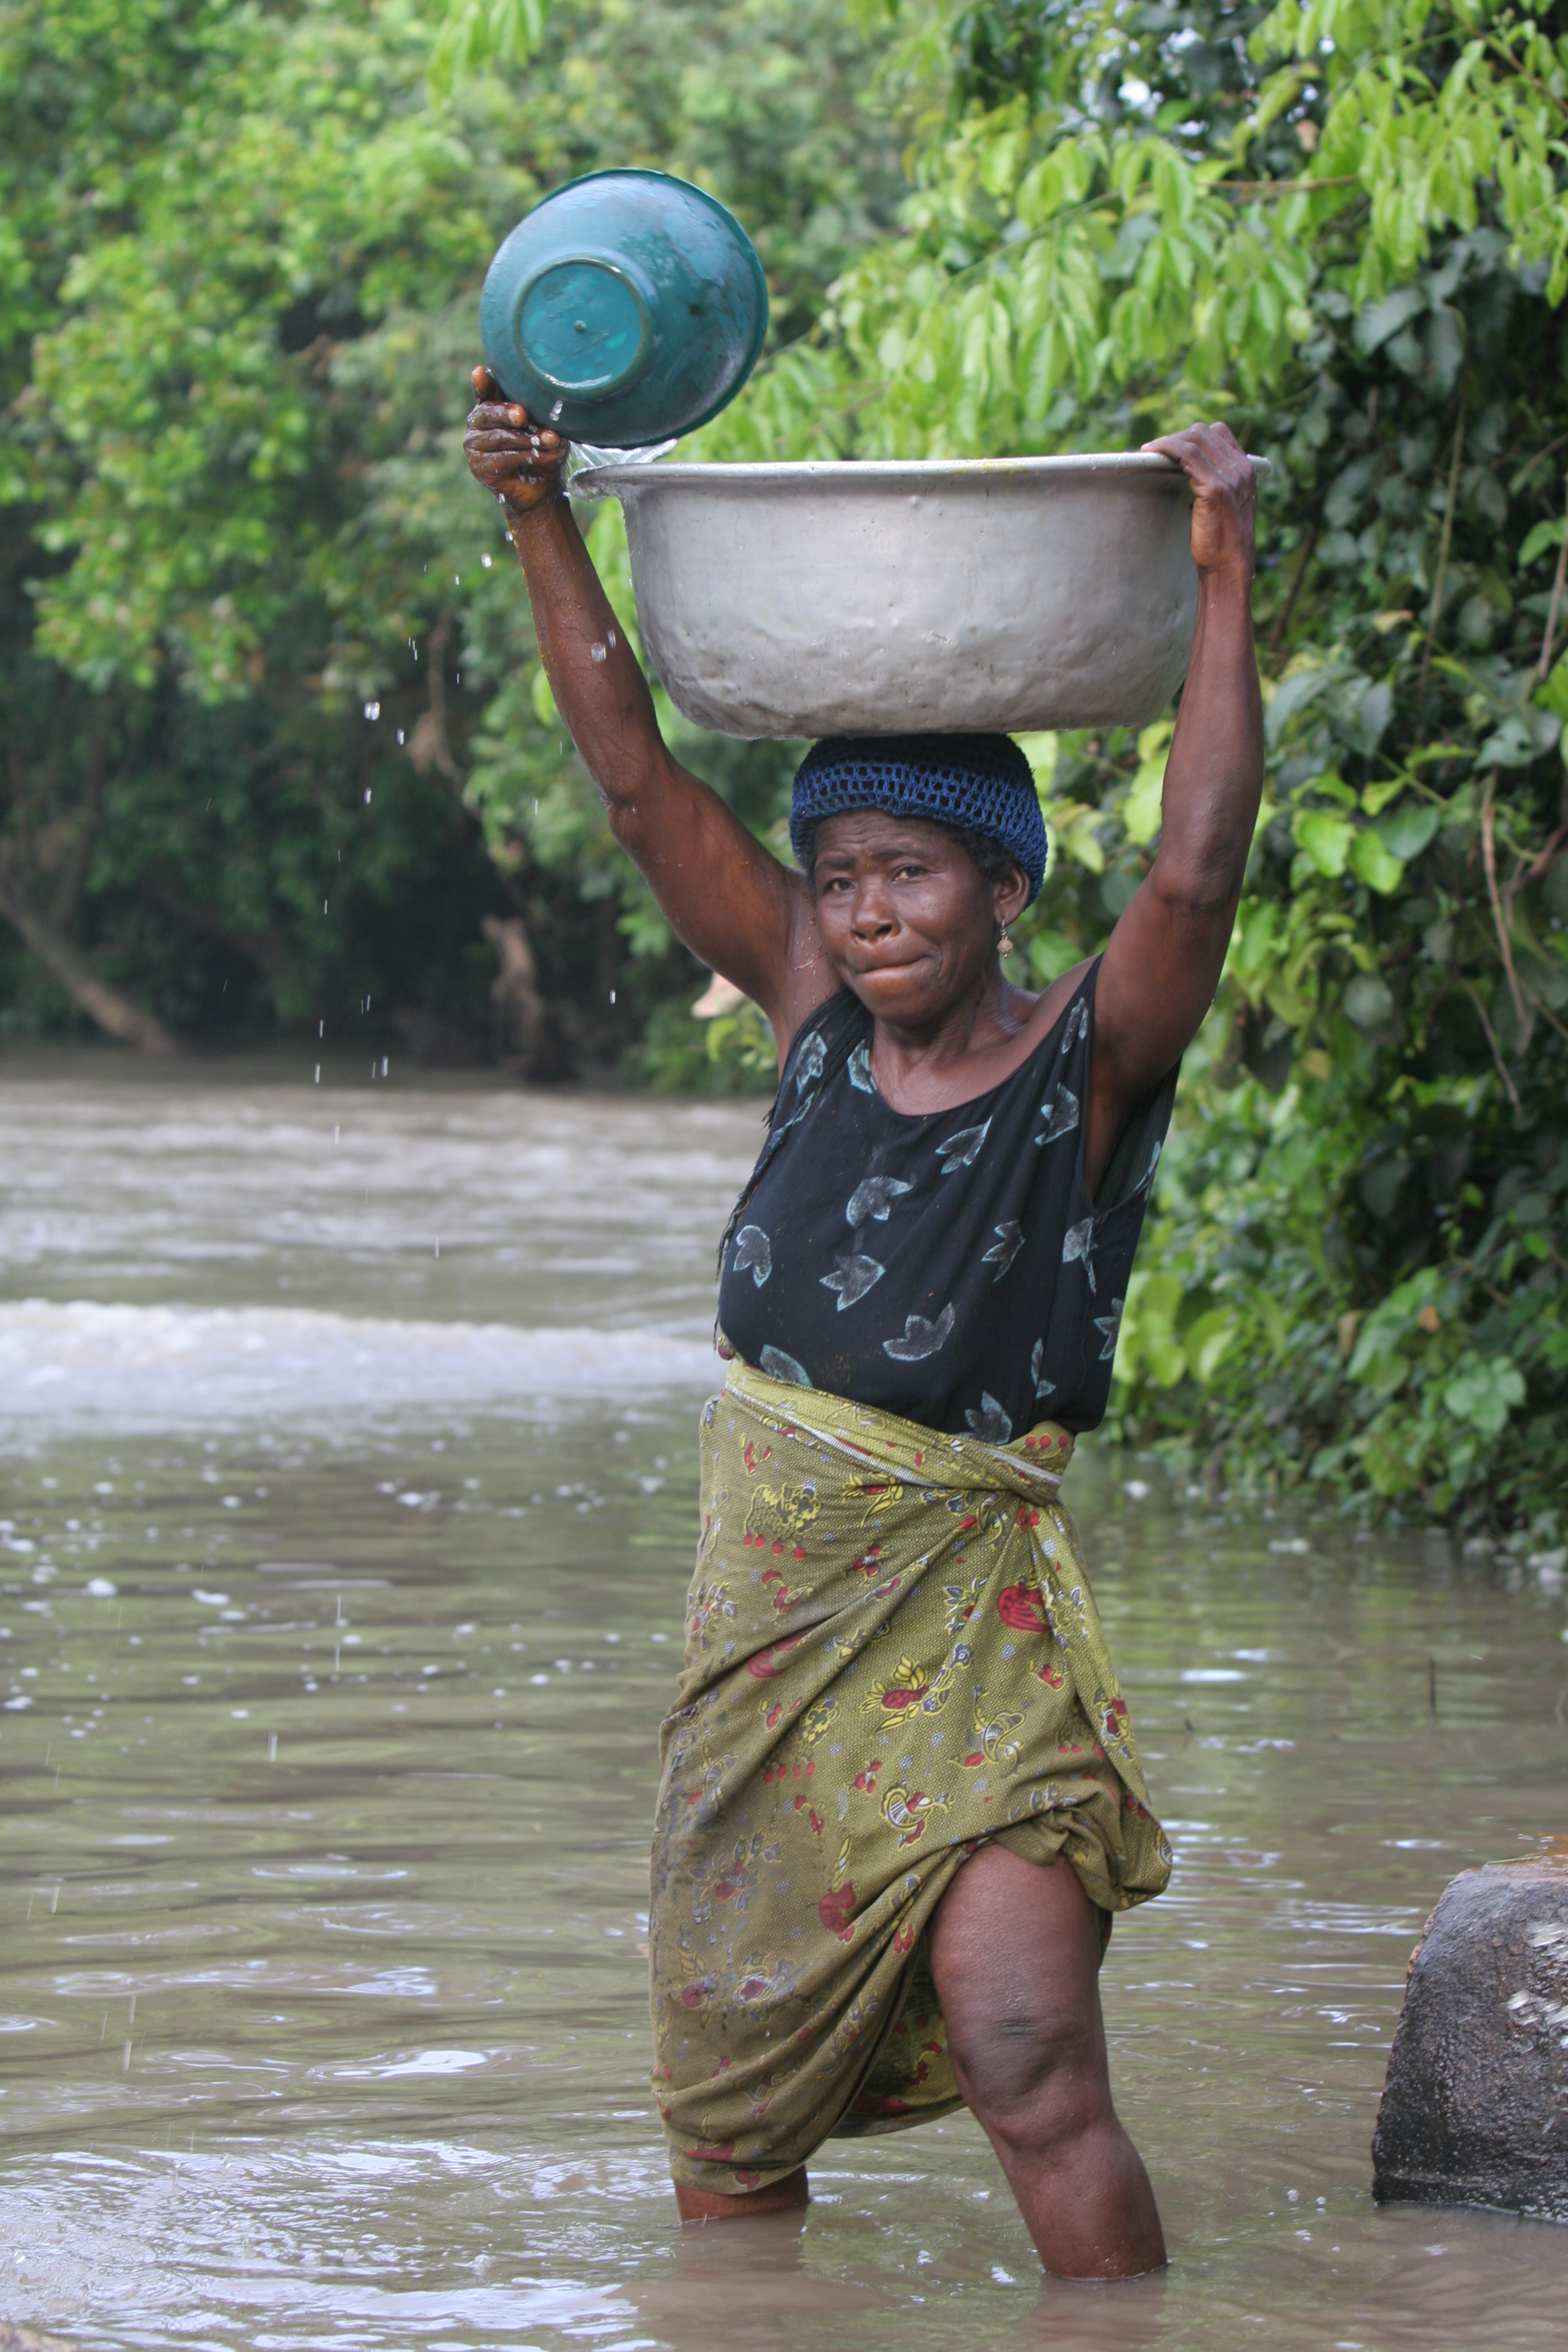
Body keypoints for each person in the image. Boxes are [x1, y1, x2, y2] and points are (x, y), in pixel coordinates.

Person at [464, 367, 1262, 2280]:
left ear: (1002, 891)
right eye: (841, 881)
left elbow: (1200, 861)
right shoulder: (818, 1028)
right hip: (769, 1655)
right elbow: (640, 776)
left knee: (1030, 2051)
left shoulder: (1085, 1066)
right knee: (729, 2111)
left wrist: (1225, 573)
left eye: (911, 875)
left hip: (973, 1654)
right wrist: (536, 510)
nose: (870, 912)